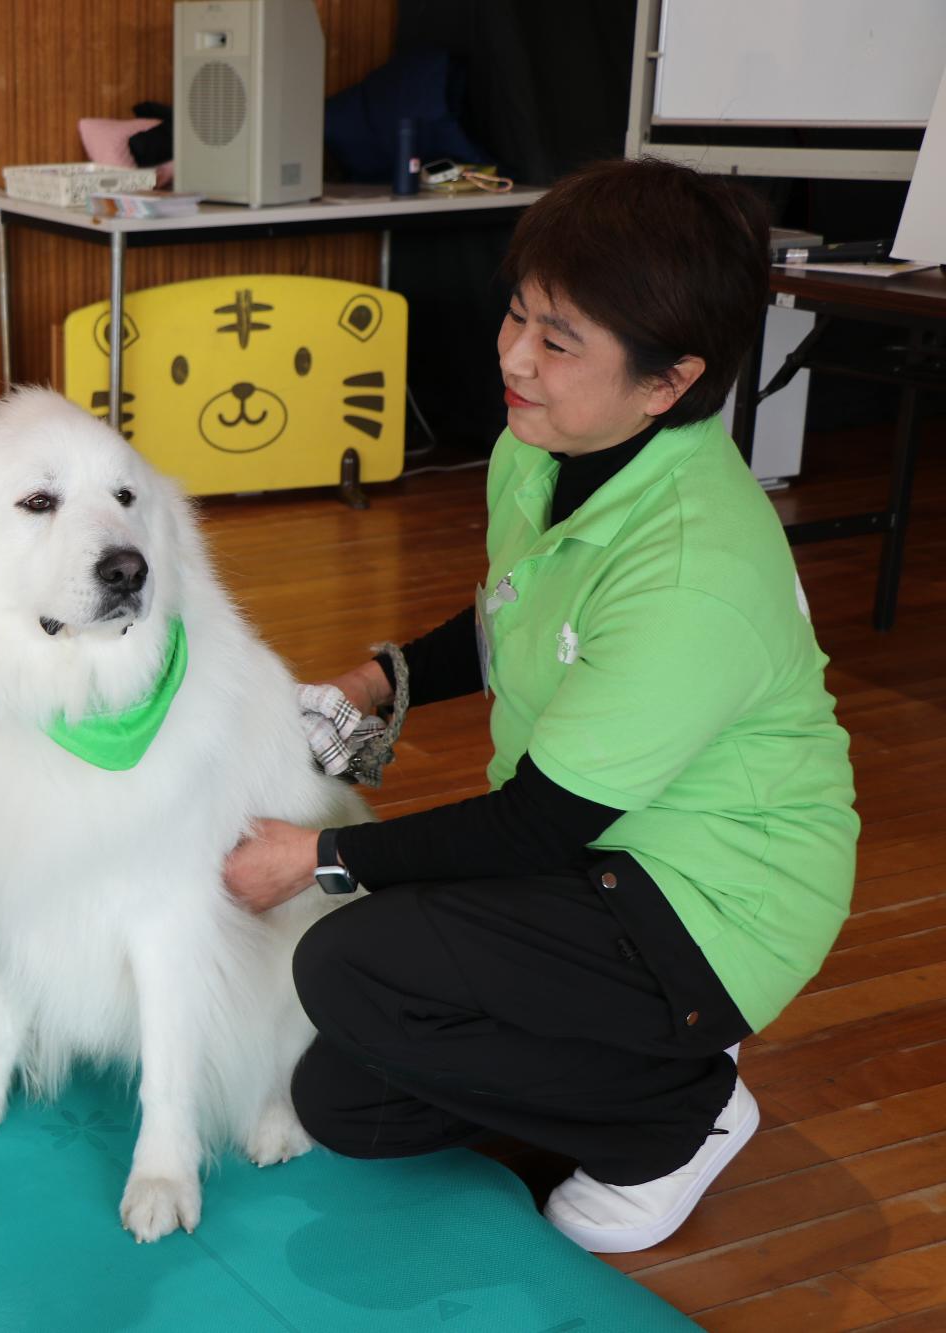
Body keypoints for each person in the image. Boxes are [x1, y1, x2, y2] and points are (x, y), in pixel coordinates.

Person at [222, 158, 858, 1256]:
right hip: (594, 854)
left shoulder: (689, 571)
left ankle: (681, 1112)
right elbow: (511, 616)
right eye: (517, 314)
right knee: (344, 1105)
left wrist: (315, 858)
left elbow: (536, 823)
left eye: (557, 342)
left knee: (345, 963)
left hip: (709, 901)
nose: (513, 356)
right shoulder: (547, 446)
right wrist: (369, 685)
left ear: (666, 383)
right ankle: (622, 1058)